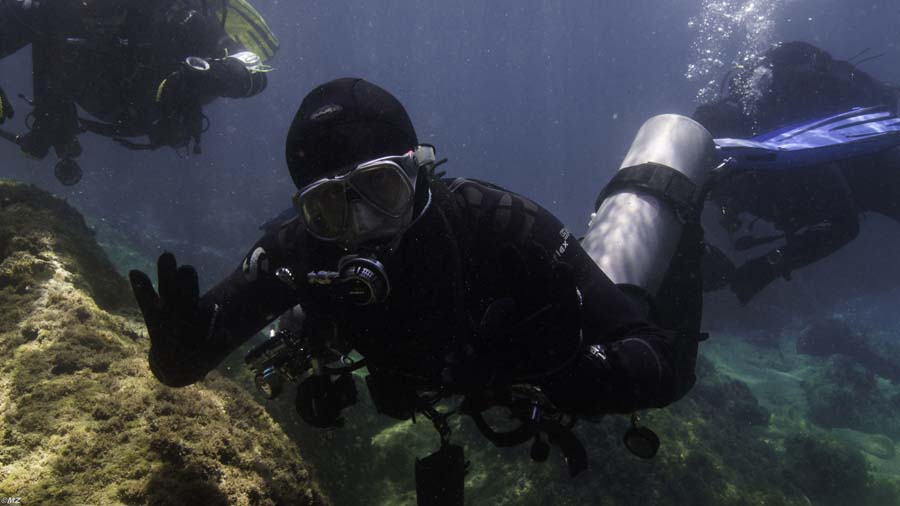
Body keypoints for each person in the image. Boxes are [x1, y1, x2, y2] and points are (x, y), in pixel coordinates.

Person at [129, 78, 710, 503]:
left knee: (625, 287)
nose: (360, 226)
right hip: (454, 380)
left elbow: (664, 363)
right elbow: (184, 364)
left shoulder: (498, 223)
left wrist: (576, 375)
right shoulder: (301, 249)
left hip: (538, 367)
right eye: (329, 206)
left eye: (380, 188)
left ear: (419, 171)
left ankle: (689, 213)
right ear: (304, 211)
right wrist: (178, 350)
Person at [694, 41, 900, 304]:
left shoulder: (788, 151)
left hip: (885, 177)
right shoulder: (747, 160)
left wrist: (770, 266)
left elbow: (845, 225)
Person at [0, 0, 275, 182]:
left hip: (155, 111)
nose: (93, 10)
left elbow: (252, 69)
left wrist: (212, 76)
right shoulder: (50, 9)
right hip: (96, 104)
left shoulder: (168, 13)